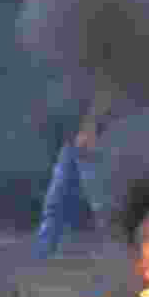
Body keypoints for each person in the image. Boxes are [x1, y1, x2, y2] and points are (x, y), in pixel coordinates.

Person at [35, 85, 115, 258]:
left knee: (101, 204)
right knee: (56, 200)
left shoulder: (100, 74)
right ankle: (43, 251)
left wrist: (89, 128)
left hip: (93, 142)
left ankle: (116, 251)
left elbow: (105, 93)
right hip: (73, 142)